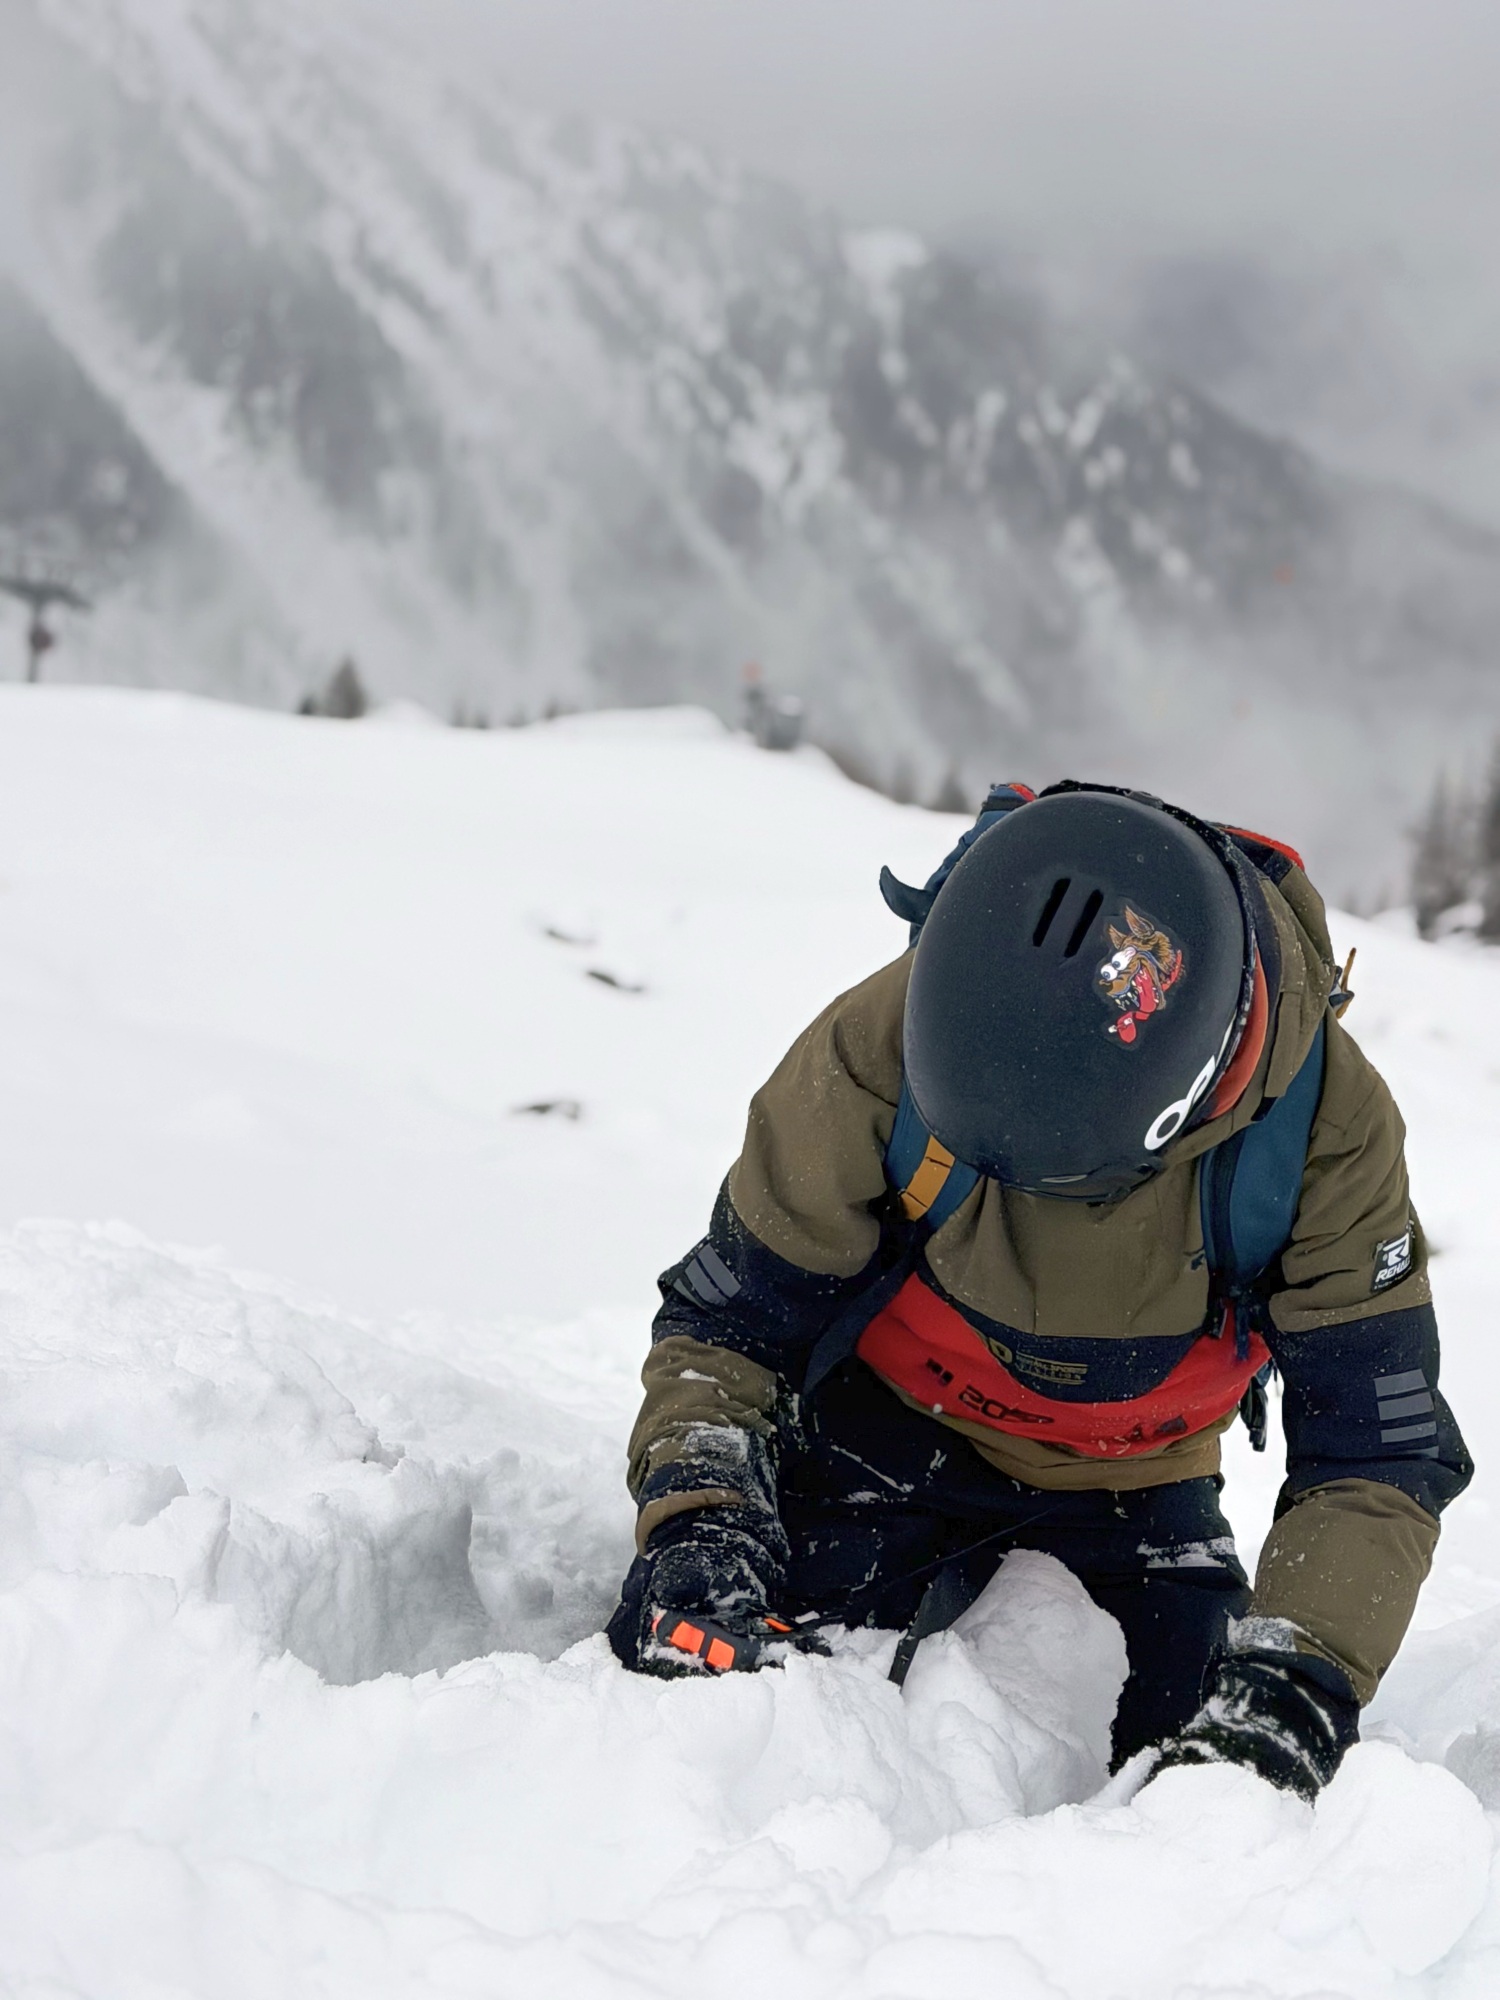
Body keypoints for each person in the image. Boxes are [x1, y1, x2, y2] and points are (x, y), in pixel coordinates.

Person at [607, 781, 1471, 1799]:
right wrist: (704, 1514)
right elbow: (730, 1324)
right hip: (877, 1431)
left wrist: (1295, 1680)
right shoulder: (883, 1044)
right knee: (717, 1710)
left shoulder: (1324, 1131)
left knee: (1198, 1796)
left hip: (1138, 1489)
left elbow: (1374, 1450)